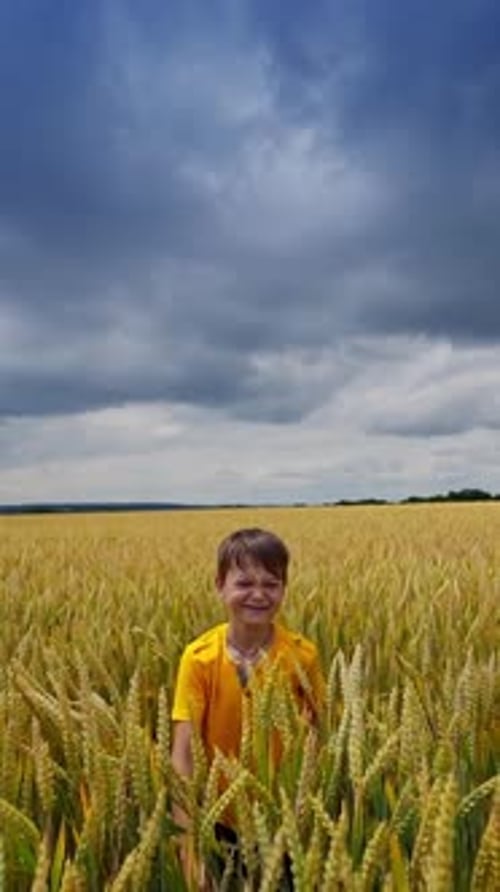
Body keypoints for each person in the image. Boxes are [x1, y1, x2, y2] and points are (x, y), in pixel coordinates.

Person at [171, 527, 325, 887]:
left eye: (271, 584)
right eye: (244, 584)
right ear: (219, 585)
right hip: (219, 826)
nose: (258, 594)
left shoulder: (302, 656)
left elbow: (319, 741)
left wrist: (307, 816)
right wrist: (187, 846)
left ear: (284, 589)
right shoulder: (199, 659)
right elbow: (183, 756)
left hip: (287, 824)